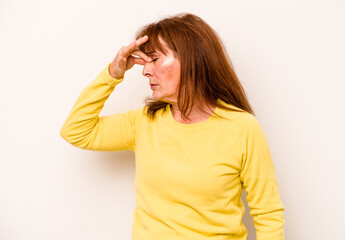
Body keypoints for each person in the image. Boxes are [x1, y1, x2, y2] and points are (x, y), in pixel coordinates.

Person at [60, 13, 285, 240]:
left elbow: (268, 215)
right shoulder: (143, 122)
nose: (145, 71)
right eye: (145, 62)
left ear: (191, 59)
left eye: (155, 59)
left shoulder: (243, 128)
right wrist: (112, 74)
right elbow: (76, 130)